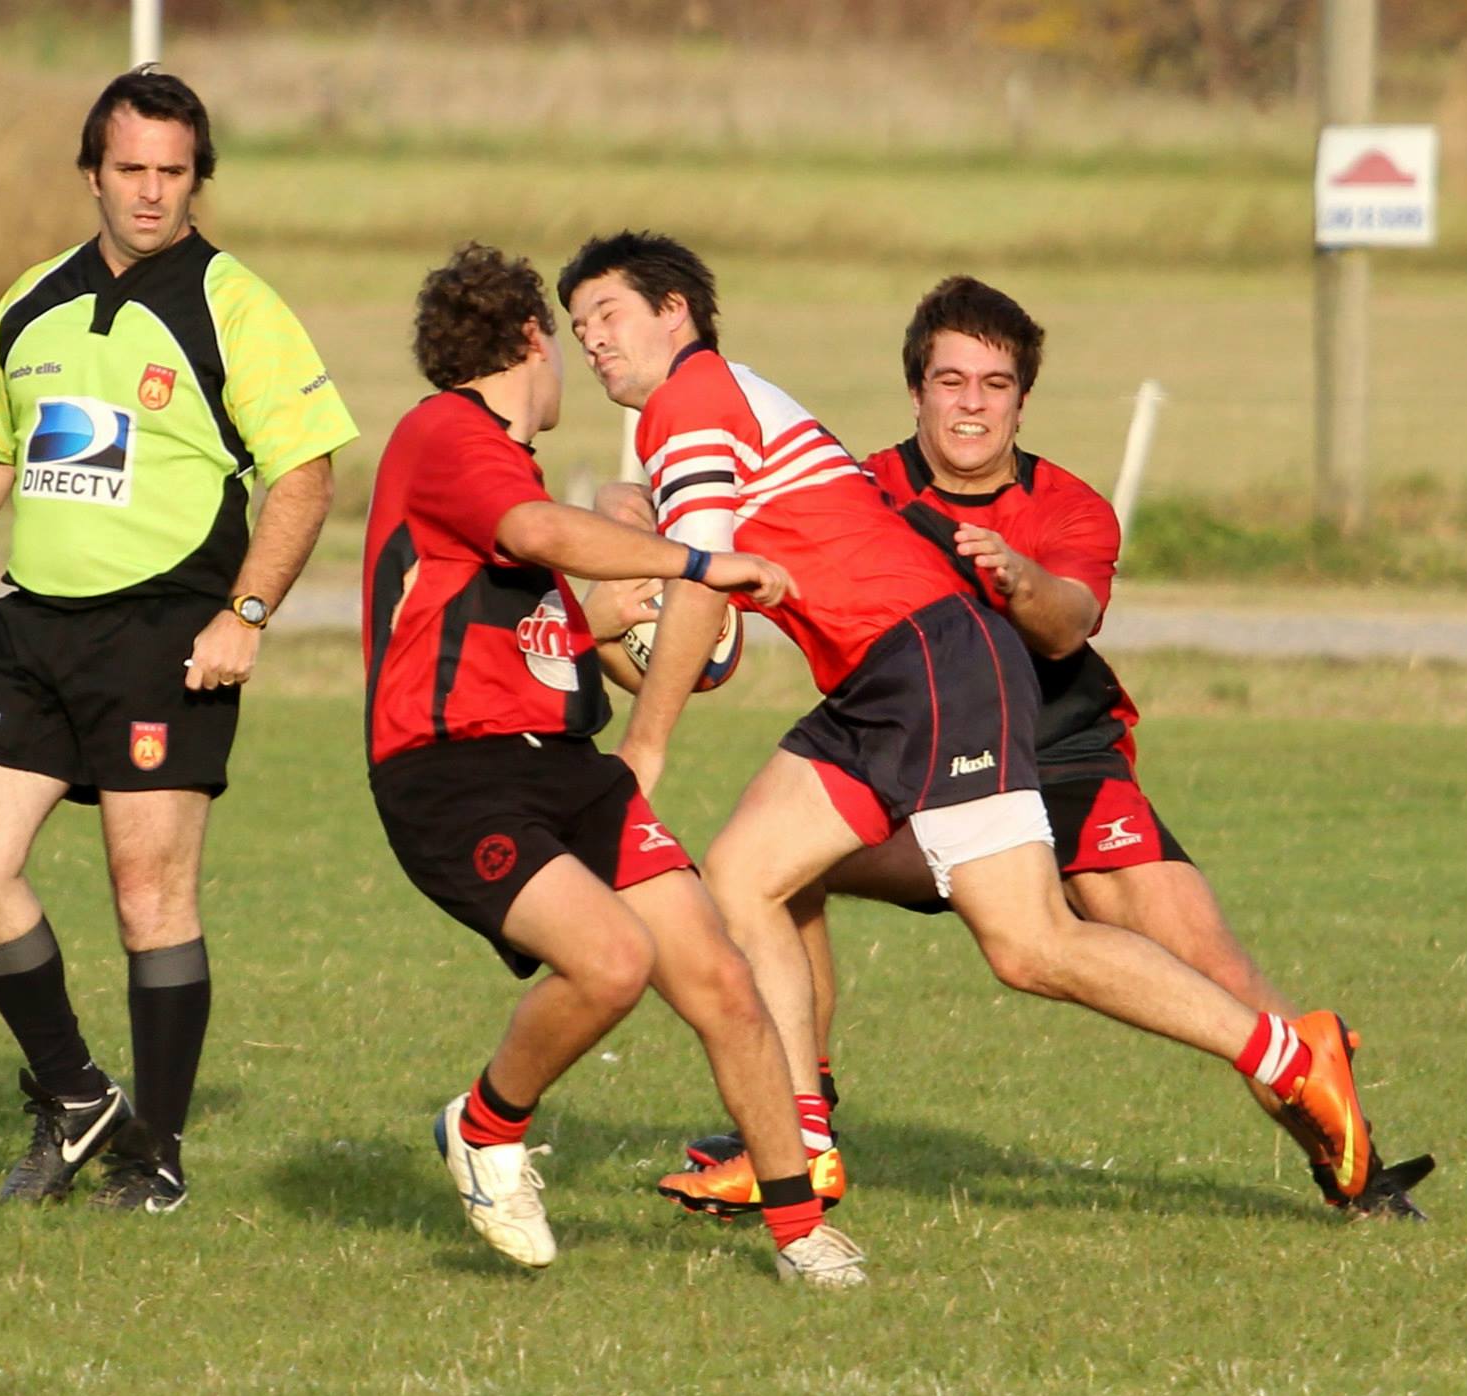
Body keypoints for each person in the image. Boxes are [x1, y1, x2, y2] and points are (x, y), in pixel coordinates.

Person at [555, 230, 1386, 1221]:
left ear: (673, 313)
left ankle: (1292, 1056)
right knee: (742, 874)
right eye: (578, 327)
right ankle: (801, 1140)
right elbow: (708, 574)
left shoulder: (693, 397)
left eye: (607, 315)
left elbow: (697, 590)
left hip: (930, 671)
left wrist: (644, 741)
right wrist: (626, 534)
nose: (591, 340)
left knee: (1029, 945)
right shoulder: (703, 413)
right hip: (882, 679)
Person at [0, 68, 356, 1212]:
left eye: (172, 173)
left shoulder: (236, 305)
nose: (149, 192)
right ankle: (78, 1094)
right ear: (91, 172)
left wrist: (244, 616)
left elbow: (305, 475)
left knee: (149, 898)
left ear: (198, 179)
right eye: (129, 169)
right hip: (30, 625)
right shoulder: (29, 299)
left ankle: (159, 1153)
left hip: (164, 632)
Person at [362, 241, 863, 1285]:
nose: (579, 356)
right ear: (528, 341)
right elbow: (537, 529)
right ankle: (486, 1125)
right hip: (451, 774)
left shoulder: (504, 463)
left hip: (560, 764)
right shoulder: (445, 432)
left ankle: (795, 1229)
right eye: (567, 330)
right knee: (611, 960)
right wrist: (694, 560)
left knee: (722, 980)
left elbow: (521, 620)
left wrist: (602, 617)